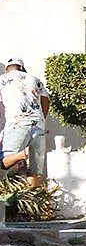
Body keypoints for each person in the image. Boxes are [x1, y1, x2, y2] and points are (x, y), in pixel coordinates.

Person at [0, 57, 50, 187]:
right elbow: (45, 100)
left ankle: (23, 154)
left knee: (3, 163)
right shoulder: (35, 79)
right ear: (22, 67)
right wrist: (42, 120)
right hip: (38, 126)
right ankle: (34, 197)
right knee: (34, 171)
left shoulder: (2, 80)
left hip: (17, 124)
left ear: (6, 69)